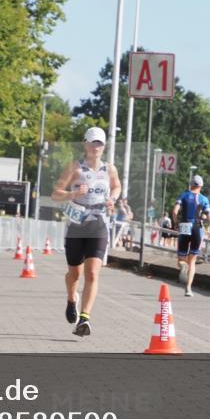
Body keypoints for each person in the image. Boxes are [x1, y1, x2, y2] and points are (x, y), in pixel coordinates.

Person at [51, 126, 121, 337]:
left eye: (99, 143)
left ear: (104, 146)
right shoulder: (75, 168)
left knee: (92, 273)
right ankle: (72, 298)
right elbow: (55, 194)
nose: (95, 147)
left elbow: (116, 186)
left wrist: (113, 198)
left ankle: (85, 318)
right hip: (76, 224)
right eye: (92, 143)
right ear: (85, 144)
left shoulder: (110, 169)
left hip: (98, 223)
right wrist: (72, 193)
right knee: (75, 273)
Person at [172, 174, 210, 297]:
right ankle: (188, 289)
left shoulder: (184, 195)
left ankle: (183, 266)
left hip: (184, 225)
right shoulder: (204, 199)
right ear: (200, 186)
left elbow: (174, 211)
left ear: (191, 184)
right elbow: (209, 218)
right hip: (196, 228)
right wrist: (207, 225)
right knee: (193, 261)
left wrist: (176, 223)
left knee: (181, 259)